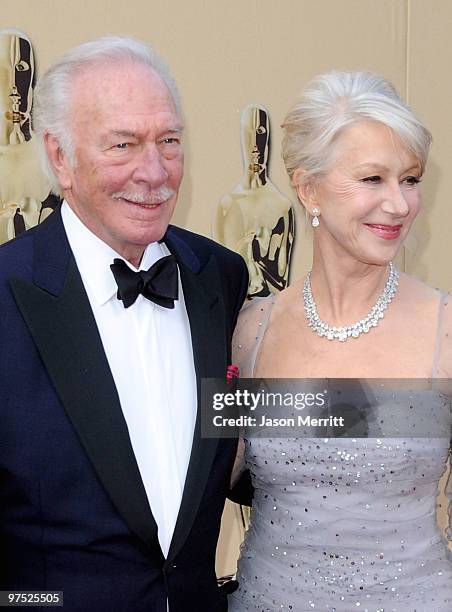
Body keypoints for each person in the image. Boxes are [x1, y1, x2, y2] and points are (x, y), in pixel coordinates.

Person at [0, 36, 248, 612]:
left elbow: (252, 455)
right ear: (60, 157)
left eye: (169, 141)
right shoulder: (6, 294)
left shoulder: (221, 278)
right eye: (123, 145)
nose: (155, 172)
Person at [229, 71, 452, 610]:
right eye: (373, 179)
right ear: (308, 189)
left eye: (411, 179)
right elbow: (209, 490)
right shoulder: (252, 331)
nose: (399, 205)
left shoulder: (445, 331)